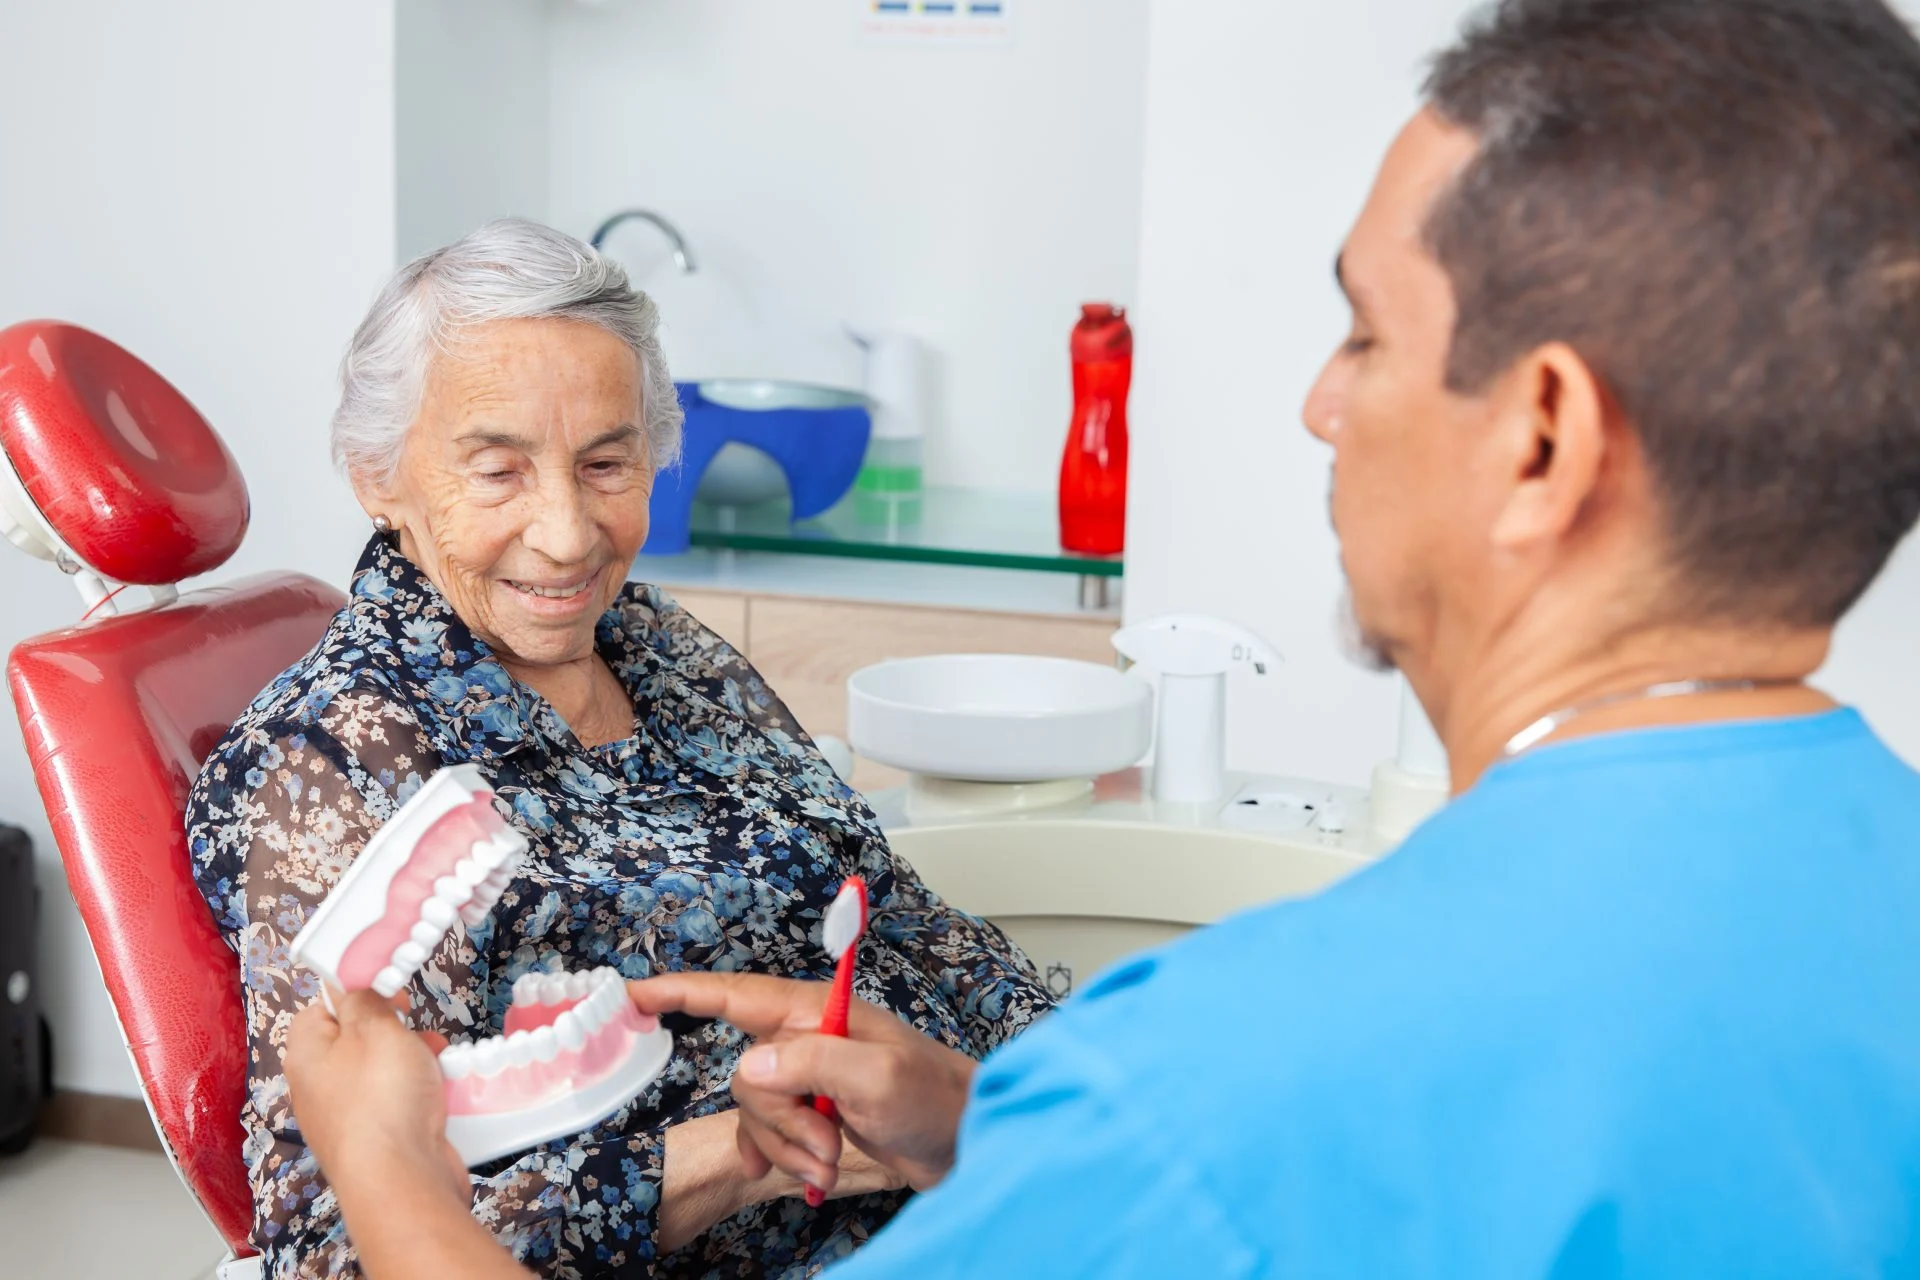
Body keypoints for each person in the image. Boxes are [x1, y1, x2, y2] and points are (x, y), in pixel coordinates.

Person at [283, 0, 1920, 1274]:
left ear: (1545, 439)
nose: (1320, 402)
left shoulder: (1205, 1097)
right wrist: (992, 1121)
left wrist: (388, 1170)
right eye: (498, 466)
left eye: (1366, 332)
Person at [185, 218, 1053, 1278]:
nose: (567, 533)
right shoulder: (340, 759)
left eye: (606, 462)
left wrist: (1065, 1091)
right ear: (379, 477)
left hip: (988, 1187)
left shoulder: (657, 645)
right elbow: (336, 1242)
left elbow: (898, 912)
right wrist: (749, 1155)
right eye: (498, 472)